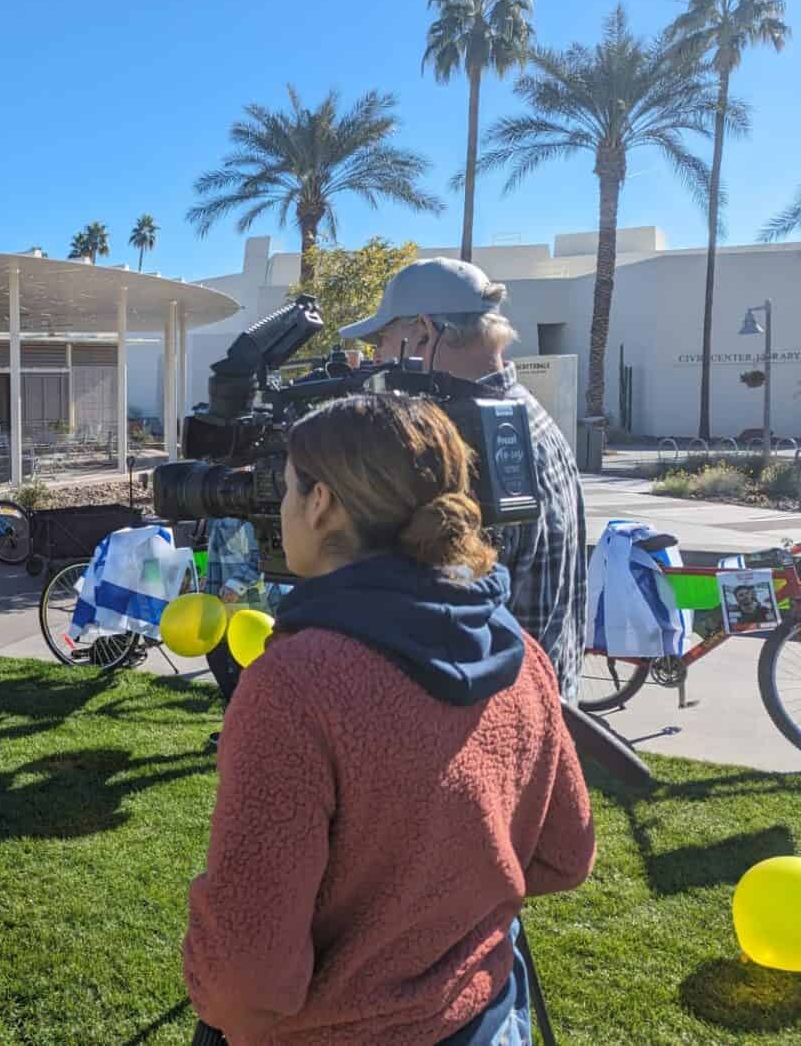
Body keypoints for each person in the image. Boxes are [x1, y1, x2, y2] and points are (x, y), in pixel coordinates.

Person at [184, 394, 595, 1045]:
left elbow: (245, 978)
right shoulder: (521, 654)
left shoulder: (295, 684)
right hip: (485, 1018)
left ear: (321, 504)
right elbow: (565, 855)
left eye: (286, 489)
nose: (282, 508)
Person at [342, 257, 587, 703]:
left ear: (423, 332)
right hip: (540, 701)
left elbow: (449, 603)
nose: (376, 356)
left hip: (498, 714)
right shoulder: (524, 416)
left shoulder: (476, 440)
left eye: (383, 339)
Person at [201, 517, 266, 752]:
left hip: (252, 604)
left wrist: (236, 583)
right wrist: (209, 586)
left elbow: (262, 558)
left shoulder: (253, 515)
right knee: (216, 654)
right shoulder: (218, 511)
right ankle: (238, 725)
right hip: (222, 602)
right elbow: (216, 555)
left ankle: (246, 731)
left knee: (243, 665)